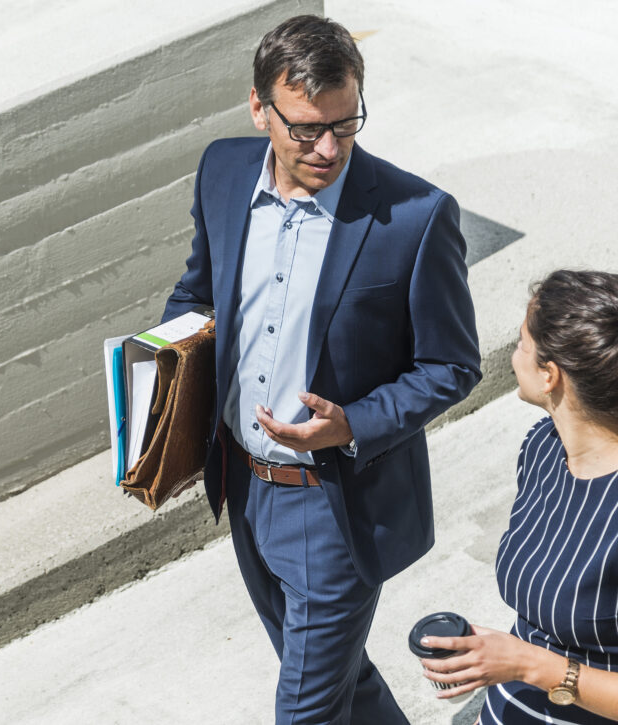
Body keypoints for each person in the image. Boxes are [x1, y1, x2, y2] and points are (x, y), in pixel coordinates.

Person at [160, 15, 481, 724]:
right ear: (258, 108)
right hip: (244, 486)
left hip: (336, 506)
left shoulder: (416, 218)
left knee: (305, 710)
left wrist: (351, 425)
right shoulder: (221, 171)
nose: (328, 147)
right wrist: (161, 375)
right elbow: (198, 291)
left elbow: (453, 366)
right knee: (344, 686)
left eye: (345, 123)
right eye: (306, 128)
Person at [420, 270, 618, 725]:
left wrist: (524, 664)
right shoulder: (544, 447)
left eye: (521, 345)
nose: (514, 357)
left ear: (550, 375)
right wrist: (489, 657)